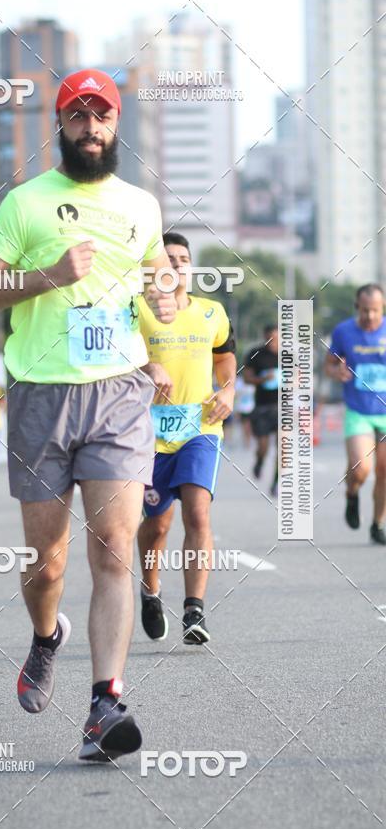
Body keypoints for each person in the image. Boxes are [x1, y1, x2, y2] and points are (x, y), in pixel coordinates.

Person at [0, 68, 176, 762]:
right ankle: (45, 634)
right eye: (79, 116)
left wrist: (165, 301)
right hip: (41, 396)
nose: (92, 128)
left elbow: (155, 283)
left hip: (118, 392)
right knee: (47, 564)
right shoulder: (25, 203)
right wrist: (48, 277)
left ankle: (104, 702)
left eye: (102, 116)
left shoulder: (143, 206)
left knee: (114, 546)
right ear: (62, 125)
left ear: (117, 124)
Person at [137, 233, 236, 644]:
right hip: (147, 434)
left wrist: (228, 390)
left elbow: (226, 355)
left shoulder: (212, 312)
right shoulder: (135, 311)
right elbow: (114, 355)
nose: (176, 264)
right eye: (168, 258)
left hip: (201, 428)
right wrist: (146, 369)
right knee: (157, 526)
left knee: (197, 514)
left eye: (183, 258)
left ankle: (194, 610)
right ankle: (149, 589)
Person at [324, 283, 386, 544]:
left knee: (384, 470)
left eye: (375, 310)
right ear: (356, 307)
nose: (370, 316)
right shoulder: (344, 331)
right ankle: (352, 493)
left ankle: (377, 525)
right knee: (361, 469)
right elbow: (329, 364)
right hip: (358, 408)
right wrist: (336, 372)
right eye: (364, 310)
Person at [244, 324, 280, 496]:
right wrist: (263, 379)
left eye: (277, 339)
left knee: (284, 450)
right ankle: (259, 461)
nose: (273, 343)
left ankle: (276, 482)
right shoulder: (255, 354)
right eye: (269, 339)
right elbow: (247, 378)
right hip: (262, 407)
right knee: (263, 447)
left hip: (284, 408)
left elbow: (300, 376)